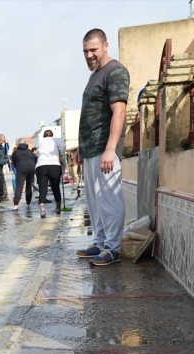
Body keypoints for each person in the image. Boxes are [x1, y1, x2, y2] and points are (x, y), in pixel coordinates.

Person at [74, 28, 130, 266]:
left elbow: (119, 111)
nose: (89, 55)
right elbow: (91, 114)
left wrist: (110, 148)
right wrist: (81, 148)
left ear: (106, 46)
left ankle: (113, 248)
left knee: (109, 199)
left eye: (93, 50)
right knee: (94, 202)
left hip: (105, 148)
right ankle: (99, 242)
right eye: (85, 51)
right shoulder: (94, 75)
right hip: (90, 149)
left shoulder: (115, 71)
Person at [35, 129, 67, 217]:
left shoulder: (40, 142)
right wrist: (61, 153)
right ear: (52, 135)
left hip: (41, 166)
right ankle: (58, 207)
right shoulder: (56, 140)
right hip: (54, 165)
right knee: (55, 187)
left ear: (44, 136)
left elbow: (38, 150)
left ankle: (42, 211)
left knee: (43, 189)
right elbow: (63, 146)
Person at [10, 138, 37, 211]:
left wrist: (17, 167)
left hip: (21, 168)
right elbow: (36, 158)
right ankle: (28, 204)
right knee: (29, 186)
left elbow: (14, 163)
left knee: (19, 187)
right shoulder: (30, 152)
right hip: (31, 168)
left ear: (18, 144)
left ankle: (16, 205)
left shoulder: (15, 152)